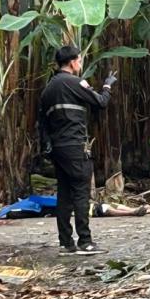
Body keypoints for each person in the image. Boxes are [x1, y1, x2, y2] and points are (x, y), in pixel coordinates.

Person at [38, 45, 115, 255]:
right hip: (75, 146)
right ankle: (85, 242)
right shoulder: (74, 82)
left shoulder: (49, 89)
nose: (80, 64)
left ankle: (66, 243)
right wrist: (107, 86)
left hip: (57, 149)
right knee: (81, 193)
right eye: (79, 61)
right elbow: (100, 102)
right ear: (72, 62)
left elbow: (41, 123)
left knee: (64, 195)